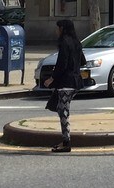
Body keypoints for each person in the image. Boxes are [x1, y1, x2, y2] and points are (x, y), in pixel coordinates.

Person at [44, 19, 85, 153]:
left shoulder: (64, 42)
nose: (56, 31)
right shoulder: (76, 42)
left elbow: (62, 63)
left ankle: (66, 142)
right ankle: (65, 140)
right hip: (75, 81)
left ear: (62, 28)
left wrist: (52, 78)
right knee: (60, 108)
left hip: (66, 82)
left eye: (58, 28)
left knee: (63, 112)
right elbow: (83, 61)